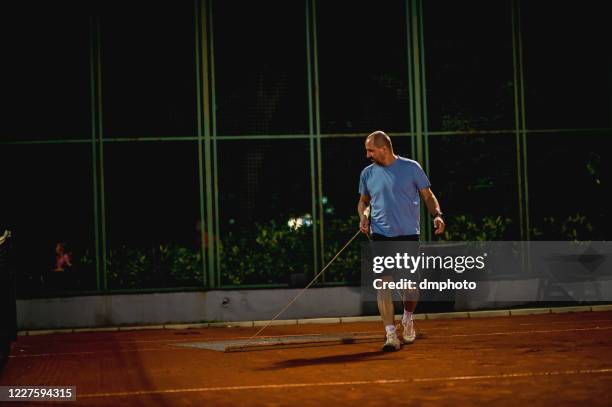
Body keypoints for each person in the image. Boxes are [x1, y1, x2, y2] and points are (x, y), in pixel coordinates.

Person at [358, 130, 445, 351]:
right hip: (380, 236)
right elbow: (364, 202)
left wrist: (437, 215)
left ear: (383, 148)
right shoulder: (367, 174)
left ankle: (407, 318)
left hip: (407, 235)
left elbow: (428, 196)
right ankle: (390, 335)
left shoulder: (411, 168)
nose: (368, 155)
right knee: (384, 285)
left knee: (410, 288)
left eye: (370, 150)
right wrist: (365, 216)